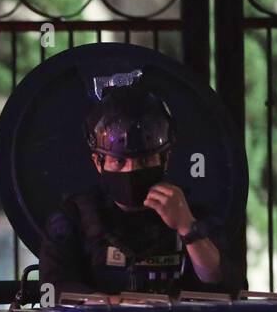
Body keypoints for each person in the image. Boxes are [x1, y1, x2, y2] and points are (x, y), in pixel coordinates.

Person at [39, 76, 241, 297]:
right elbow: (54, 288)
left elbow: (225, 285)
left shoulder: (193, 214)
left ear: (166, 158)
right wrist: (112, 307)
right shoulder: (73, 218)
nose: (131, 171)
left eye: (145, 161)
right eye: (119, 161)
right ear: (98, 162)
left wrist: (187, 227)